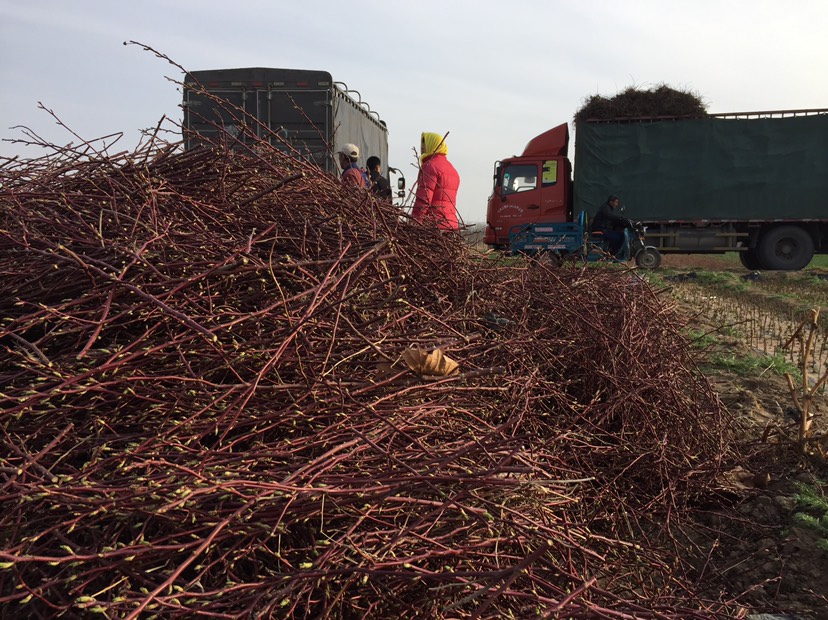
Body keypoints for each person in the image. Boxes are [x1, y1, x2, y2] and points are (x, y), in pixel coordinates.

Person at [412, 132, 460, 230]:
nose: (422, 148)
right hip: (451, 224)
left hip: (433, 225)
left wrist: (414, 222)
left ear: (432, 144)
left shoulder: (430, 166)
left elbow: (424, 199)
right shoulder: (452, 169)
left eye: (424, 144)